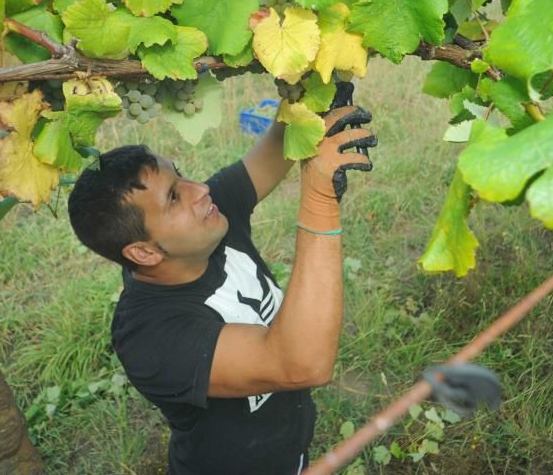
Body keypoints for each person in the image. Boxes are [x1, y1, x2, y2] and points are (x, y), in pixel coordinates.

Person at [68, 100, 376, 475]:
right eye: (174, 198)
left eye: (180, 176)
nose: (199, 189)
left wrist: (308, 95)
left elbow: (280, 143)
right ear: (144, 252)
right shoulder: (151, 337)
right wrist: (319, 200)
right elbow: (302, 363)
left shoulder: (210, 220)